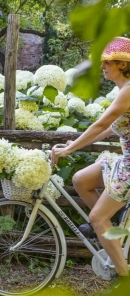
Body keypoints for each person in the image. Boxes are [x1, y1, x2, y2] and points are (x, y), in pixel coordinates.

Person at [51, 36, 130, 277]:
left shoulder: (128, 91)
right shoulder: (123, 90)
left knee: (96, 218)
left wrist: (69, 149)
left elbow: (101, 123)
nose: (102, 67)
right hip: (126, 161)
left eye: (107, 62)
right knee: (81, 180)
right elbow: (110, 128)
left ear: (123, 65)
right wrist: (75, 143)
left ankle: (124, 279)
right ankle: (112, 234)